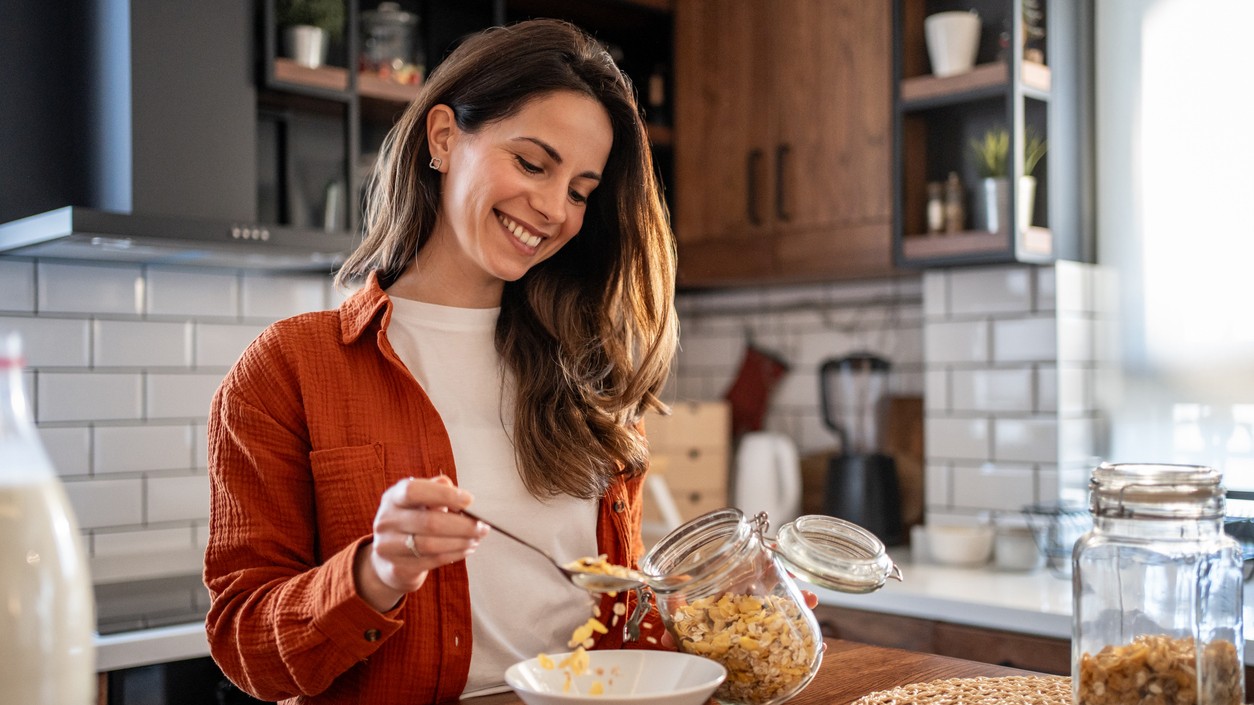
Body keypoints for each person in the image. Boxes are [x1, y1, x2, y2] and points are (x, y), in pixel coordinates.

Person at [203, 19, 678, 704]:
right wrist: (377, 572)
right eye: (532, 163)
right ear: (445, 138)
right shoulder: (288, 369)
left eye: (580, 190)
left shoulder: (588, 368)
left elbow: (618, 619)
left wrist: (722, 612)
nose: (552, 208)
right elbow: (248, 649)